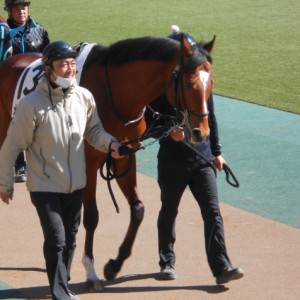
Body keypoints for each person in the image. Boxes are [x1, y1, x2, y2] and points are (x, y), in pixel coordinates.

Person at [0, 41, 122, 300]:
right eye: (63, 65)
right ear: (48, 70)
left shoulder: (84, 97)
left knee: (70, 238)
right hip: (44, 186)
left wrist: (111, 143)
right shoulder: (31, 104)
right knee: (56, 238)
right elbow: (11, 146)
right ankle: (60, 293)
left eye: (72, 64)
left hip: (76, 184)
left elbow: (93, 131)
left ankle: (61, 282)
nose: (70, 69)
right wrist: (5, 183)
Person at [147, 92, 244, 285]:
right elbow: (150, 126)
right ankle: (167, 263)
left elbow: (211, 118)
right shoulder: (159, 92)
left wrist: (217, 152)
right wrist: (169, 132)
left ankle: (222, 267)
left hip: (203, 159)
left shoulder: (201, 89)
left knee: (212, 211)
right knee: (169, 209)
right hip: (171, 162)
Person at [4, 0, 50, 182]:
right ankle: (20, 166)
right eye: (17, 8)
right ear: (9, 11)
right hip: (10, 87)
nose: (21, 11)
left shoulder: (40, 30)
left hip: (34, 86)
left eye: (23, 7)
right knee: (12, 124)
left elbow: (48, 58)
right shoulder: (4, 32)